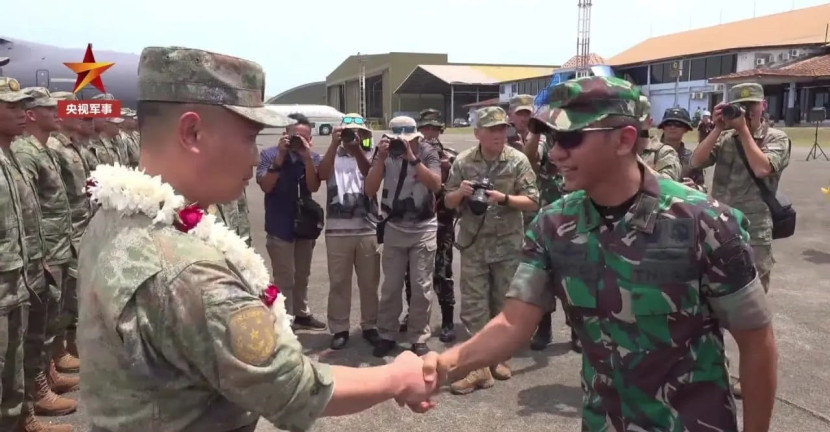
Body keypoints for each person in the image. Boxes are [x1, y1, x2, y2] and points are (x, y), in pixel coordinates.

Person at [77, 46, 438, 432]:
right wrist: (397, 377)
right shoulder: (190, 271)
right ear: (192, 132)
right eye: (249, 138)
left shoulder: (113, 217)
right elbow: (294, 389)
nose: (254, 157)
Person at [424, 76, 778, 432]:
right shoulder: (554, 225)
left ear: (624, 139)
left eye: (570, 138)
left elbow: (756, 340)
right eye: (551, 138)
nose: (556, 152)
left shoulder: (706, 223)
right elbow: (513, 323)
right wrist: (441, 366)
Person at [441, 106, 538, 394]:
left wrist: (504, 198)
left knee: (503, 305)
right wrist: (461, 193)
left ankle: (500, 356)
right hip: (474, 245)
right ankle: (478, 369)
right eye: (492, 129)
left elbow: (533, 201)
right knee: (473, 307)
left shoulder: (517, 160)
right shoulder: (463, 161)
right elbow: (447, 201)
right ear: (477, 133)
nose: (499, 134)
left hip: (507, 245)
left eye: (502, 129)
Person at [365, 116, 443, 357]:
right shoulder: (385, 154)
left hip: (423, 227)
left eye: (408, 140)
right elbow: (369, 189)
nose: (403, 144)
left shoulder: (428, 152)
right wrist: (380, 158)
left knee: (421, 286)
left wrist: (413, 158)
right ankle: (387, 334)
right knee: (390, 286)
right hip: (394, 227)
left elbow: (436, 184)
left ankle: (419, 336)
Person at [316, 113, 381, 350]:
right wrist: (334, 144)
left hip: (367, 227)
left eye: (358, 132)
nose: (352, 136)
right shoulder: (333, 153)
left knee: (369, 282)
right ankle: (340, 328)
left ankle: (370, 325)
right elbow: (321, 174)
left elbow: (370, 175)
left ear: (365, 133)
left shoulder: (372, 153)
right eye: (347, 132)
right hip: (337, 229)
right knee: (339, 283)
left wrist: (356, 149)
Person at [257, 113, 327, 330]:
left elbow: (314, 186)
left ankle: (301, 313)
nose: (299, 141)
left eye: (304, 137)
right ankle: (282, 319)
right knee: (283, 276)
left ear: (310, 139)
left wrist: (306, 158)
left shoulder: (312, 157)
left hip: (304, 225)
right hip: (280, 224)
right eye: (294, 136)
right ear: (285, 134)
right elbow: (266, 186)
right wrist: (280, 157)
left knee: (302, 274)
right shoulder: (269, 155)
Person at [401, 108, 457, 343]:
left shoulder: (452, 156)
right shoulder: (407, 153)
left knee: (442, 273)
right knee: (411, 274)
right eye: (426, 128)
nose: (430, 132)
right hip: (414, 221)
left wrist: (446, 171)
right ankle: (413, 317)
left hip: (442, 223)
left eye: (435, 128)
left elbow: (455, 191)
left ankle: (447, 320)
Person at [655, 107, 706, 191]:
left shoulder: (691, 158)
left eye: (678, 124)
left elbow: (703, 188)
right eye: (669, 123)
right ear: (663, 127)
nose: (672, 127)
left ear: (686, 129)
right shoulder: (650, 152)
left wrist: (695, 188)